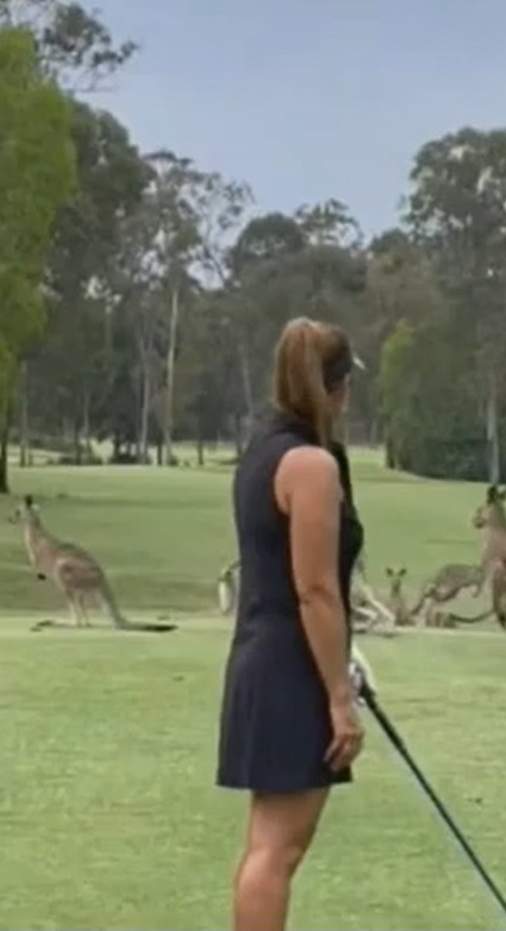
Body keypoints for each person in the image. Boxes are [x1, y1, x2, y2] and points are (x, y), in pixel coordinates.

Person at [217, 316, 366, 931]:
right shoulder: (311, 466)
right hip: (288, 668)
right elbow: (314, 590)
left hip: (269, 654)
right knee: (276, 852)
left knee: (273, 847)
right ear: (336, 387)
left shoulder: (264, 452)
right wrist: (339, 697)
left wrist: (344, 663)